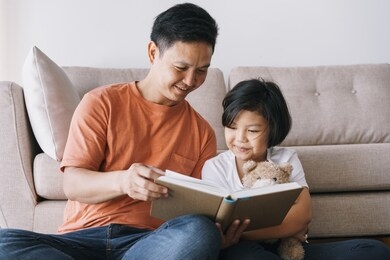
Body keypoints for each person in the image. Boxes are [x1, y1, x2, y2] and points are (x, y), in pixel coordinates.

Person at [0, 3, 221, 260]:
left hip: (147, 245)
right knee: (5, 243)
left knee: (200, 232)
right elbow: (72, 184)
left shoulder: (202, 133)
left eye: (202, 71)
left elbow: (193, 213)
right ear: (153, 52)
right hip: (80, 240)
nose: (190, 81)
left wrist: (218, 230)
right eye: (181, 68)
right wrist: (123, 181)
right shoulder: (102, 102)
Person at [202, 78, 390, 260]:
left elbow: (303, 215)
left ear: (272, 130)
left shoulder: (286, 158)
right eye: (232, 127)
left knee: (373, 250)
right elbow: (219, 230)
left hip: (290, 249)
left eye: (252, 131)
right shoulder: (215, 167)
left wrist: (243, 233)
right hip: (243, 250)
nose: (240, 138)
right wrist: (286, 227)